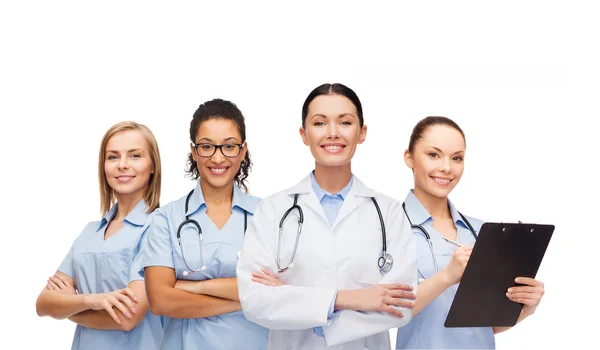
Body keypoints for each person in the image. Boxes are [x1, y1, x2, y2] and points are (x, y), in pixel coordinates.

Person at [237, 83, 418, 350]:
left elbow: (400, 306)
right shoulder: (273, 210)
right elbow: (255, 300)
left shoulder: (388, 212)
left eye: (345, 122)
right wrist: (345, 299)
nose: (333, 133)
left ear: (362, 132)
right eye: (320, 123)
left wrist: (292, 298)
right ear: (304, 134)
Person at [395, 116, 546, 349]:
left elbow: (485, 326)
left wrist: (524, 308)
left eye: (457, 158)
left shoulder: (481, 232)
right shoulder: (390, 229)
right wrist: (447, 277)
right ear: (409, 158)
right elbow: (386, 313)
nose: (446, 167)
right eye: (433, 154)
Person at [139, 98, 269, 349]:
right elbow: (161, 301)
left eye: (229, 146)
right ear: (194, 150)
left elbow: (279, 292)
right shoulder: (166, 219)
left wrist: (197, 287)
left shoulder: (268, 215)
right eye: (207, 146)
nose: (218, 158)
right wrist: (244, 300)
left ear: (243, 151)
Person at [35, 121, 163, 350]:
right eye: (113, 157)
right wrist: (91, 300)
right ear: (103, 166)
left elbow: (127, 317)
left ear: (152, 165)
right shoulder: (89, 232)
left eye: (134, 156)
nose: (122, 165)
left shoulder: (158, 229)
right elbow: (43, 304)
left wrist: (68, 309)